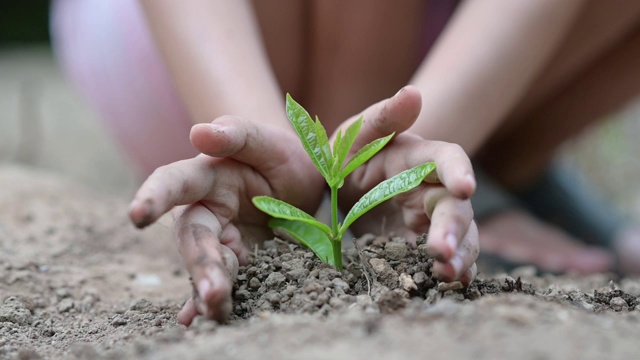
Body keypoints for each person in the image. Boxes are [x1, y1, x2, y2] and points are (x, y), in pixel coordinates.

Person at [51, 0, 640, 325]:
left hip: (464, 68)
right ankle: (353, 175)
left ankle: (476, 163)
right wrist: (262, 146)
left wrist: (422, 138)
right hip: (216, 52)